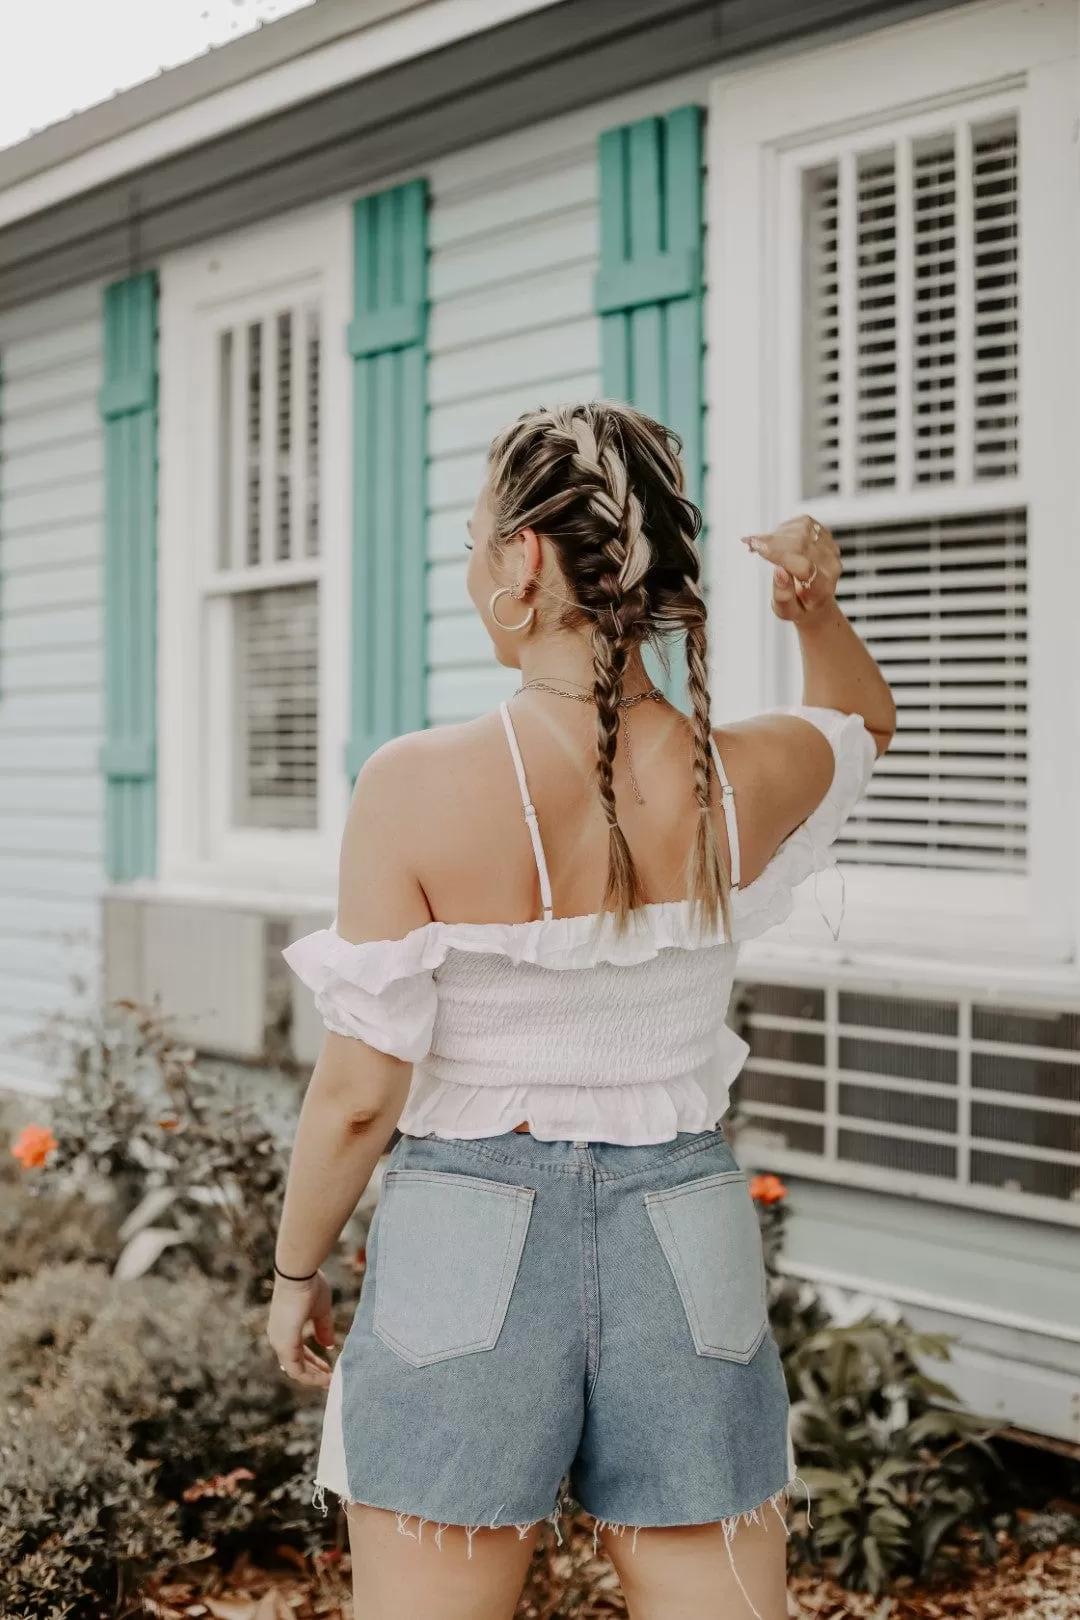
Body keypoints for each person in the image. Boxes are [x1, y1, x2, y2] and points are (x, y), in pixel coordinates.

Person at [269, 402, 895, 1620]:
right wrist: (816, 613)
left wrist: (295, 1269)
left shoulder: (413, 785)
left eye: (470, 538)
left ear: (526, 561)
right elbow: (864, 726)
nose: (466, 564)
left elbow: (357, 1097)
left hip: (466, 1229)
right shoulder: (739, 773)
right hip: (688, 1224)